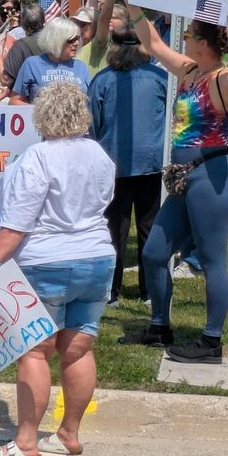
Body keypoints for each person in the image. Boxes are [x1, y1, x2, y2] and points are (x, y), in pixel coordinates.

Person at [0, 80, 115, 456]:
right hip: (98, 258)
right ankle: (69, 433)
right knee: (79, 348)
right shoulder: (99, 154)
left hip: (46, 260)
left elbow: (17, 222)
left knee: (35, 351)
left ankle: (25, 443)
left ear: (43, 115)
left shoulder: (37, 157)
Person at [118, 0, 228, 364]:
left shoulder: (222, 78)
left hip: (211, 177)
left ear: (205, 42)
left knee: (212, 261)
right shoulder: (190, 70)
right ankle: (160, 326)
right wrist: (134, 6)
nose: (187, 36)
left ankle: (212, 342)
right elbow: (154, 45)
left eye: (192, 33)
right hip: (184, 177)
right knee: (155, 251)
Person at [88, 23, 168, 306]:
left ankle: (112, 291)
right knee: (150, 228)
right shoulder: (160, 78)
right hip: (151, 163)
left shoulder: (102, 80)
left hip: (114, 164)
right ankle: (150, 291)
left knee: (114, 231)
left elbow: (93, 125)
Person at [9, 17, 91, 105]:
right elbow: (14, 101)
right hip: (40, 118)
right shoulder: (32, 64)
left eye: (77, 39)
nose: (77, 43)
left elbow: (91, 101)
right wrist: (39, 112)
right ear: (56, 40)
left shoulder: (81, 67)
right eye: (71, 40)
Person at [0, 4, 45, 91]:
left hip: (29, 100)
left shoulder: (20, 46)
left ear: (23, 23)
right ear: (43, 20)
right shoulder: (56, 42)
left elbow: (5, 80)